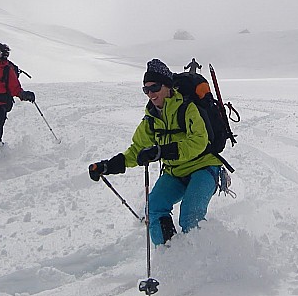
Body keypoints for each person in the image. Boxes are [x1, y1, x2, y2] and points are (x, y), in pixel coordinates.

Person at [88, 58, 224, 244]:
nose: (151, 94)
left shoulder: (188, 109)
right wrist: (107, 166)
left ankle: (203, 262)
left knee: (190, 214)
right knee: (154, 208)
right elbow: (137, 149)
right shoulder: (151, 117)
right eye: (146, 89)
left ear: (167, 86)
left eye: (155, 87)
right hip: (175, 172)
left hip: (204, 167)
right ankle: (171, 257)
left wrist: (162, 151)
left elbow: (199, 142)